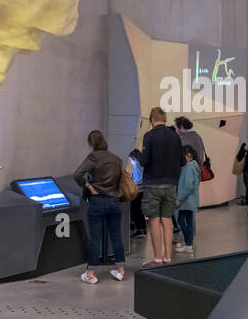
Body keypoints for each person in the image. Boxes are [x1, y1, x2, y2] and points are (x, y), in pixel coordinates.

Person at [73, 130, 127, 284]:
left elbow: (77, 174)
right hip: (115, 201)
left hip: (97, 201)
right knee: (116, 235)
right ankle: (120, 271)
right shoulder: (116, 159)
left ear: (92, 143)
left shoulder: (93, 157)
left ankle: (90, 274)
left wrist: (89, 186)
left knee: (95, 238)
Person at [138, 106, 185, 268]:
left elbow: (144, 161)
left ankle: (157, 258)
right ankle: (168, 257)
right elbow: (182, 162)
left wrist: (138, 154)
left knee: (154, 221)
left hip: (152, 185)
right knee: (167, 221)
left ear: (151, 119)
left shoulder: (149, 136)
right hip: (170, 185)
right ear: (164, 119)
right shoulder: (175, 137)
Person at [175, 145, 201, 254]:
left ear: (187, 155)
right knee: (189, 221)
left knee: (181, 220)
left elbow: (188, 186)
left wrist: (180, 198)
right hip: (192, 200)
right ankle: (189, 244)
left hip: (186, 200)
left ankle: (188, 242)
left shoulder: (188, 168)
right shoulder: (195, 166)